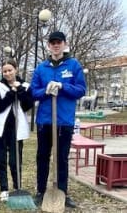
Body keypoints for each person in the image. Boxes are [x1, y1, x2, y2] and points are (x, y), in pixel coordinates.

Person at [30, 31, 86, 209]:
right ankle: (41, 191)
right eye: (52, 42)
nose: (55, 45)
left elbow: (81, 90)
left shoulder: (73, 65)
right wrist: (46, 91)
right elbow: (33, 92)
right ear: (48, 45)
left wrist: (63, 86)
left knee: (61, 158)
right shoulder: (41, 68)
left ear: (64, 44)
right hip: (45, 120)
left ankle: (62, 192)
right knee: (43, 157)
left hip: (64, 121)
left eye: (59, 42)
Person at [0, 58, 34, 202]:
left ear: (16, 70)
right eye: (5, 71)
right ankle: (4, 188)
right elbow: (0, 106)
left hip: (17, 128)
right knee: (0, 159)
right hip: (0, 129)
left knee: (15, 160)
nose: (7, 73)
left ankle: (17, 186)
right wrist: (11, 92)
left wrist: (18, 89)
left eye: (10, 70)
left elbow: (27, 105)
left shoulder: (25, 86)